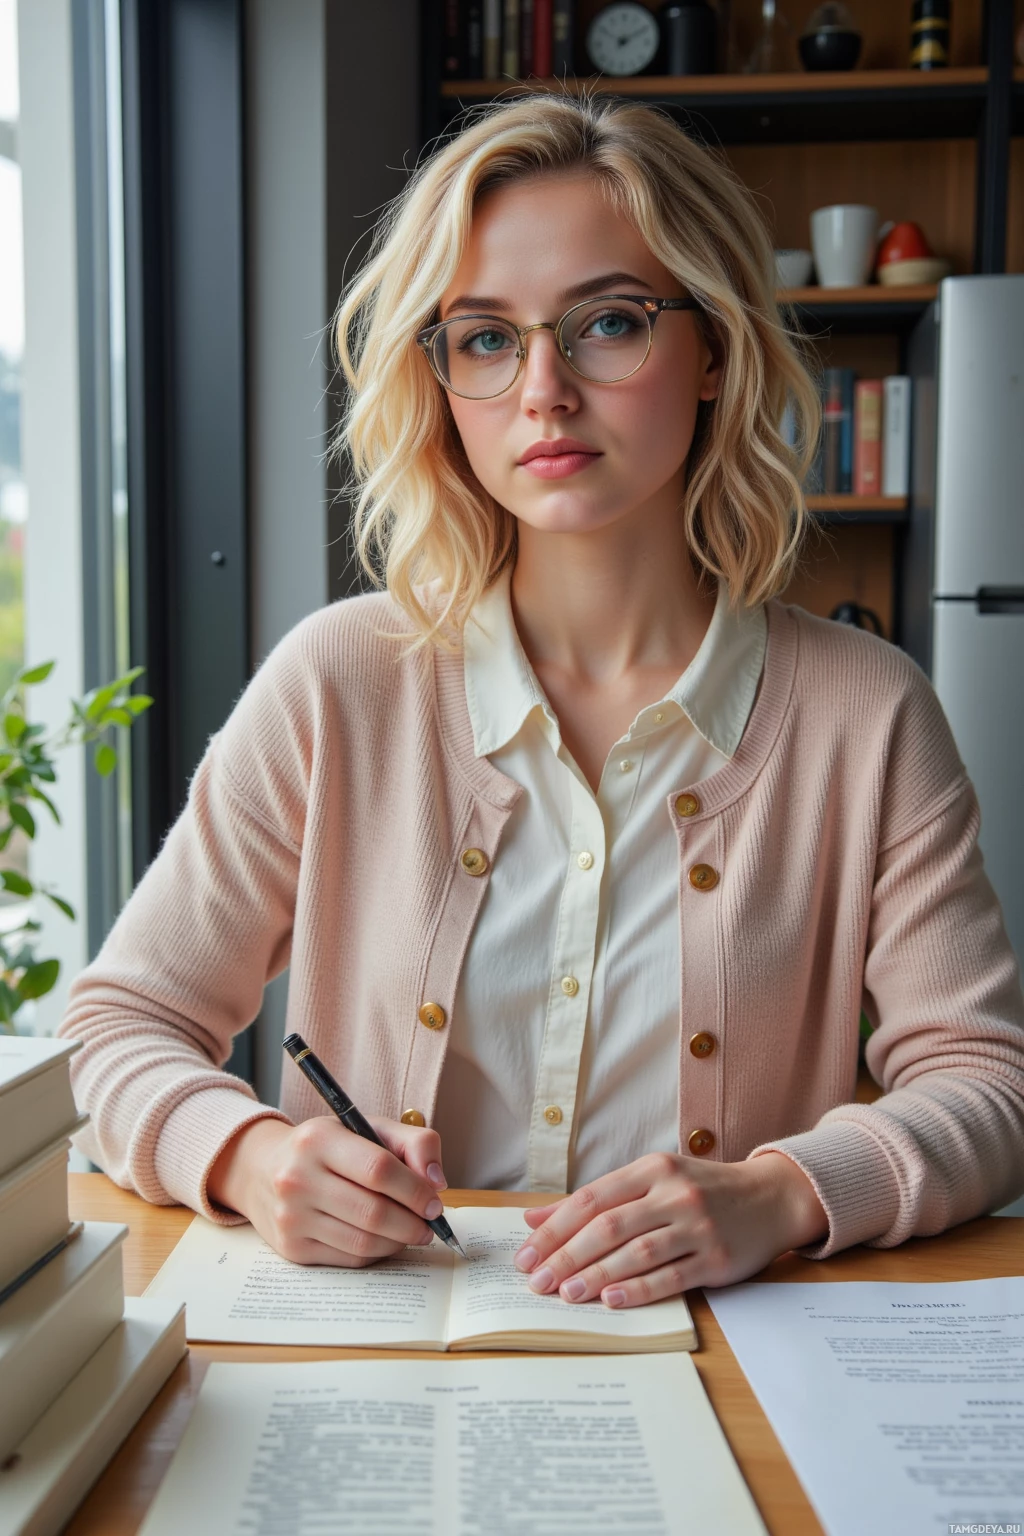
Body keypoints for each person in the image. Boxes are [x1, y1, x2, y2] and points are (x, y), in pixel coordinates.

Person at [59, 93, 1024, 1311]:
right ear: (444, 377)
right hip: (374, 1363)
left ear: (715, 345)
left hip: (725, 1372)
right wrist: (250, 1157)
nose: (544, 391)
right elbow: (115, 1028)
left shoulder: (868, 714)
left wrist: (781, 1192)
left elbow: (987, 1082)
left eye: (608, 323)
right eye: (484, 337)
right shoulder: (338, 679)